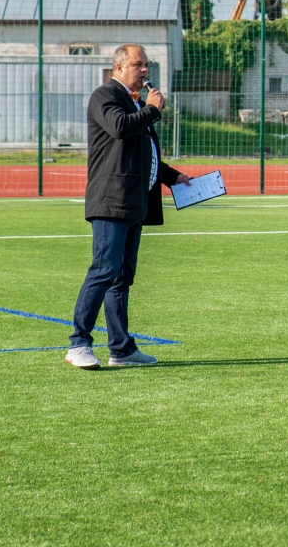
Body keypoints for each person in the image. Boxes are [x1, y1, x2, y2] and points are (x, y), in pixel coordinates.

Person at [65, 44, 191, 370]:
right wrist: (151, 110)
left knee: (121, 278)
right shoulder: (105, 95)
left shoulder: (135, 102)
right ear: (119, 67)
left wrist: (172, 176)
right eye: (139, 64)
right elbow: (121, 128)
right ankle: (79, 343)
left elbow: (142, 152)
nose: (145, 70)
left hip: (133, 203)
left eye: (147, 65)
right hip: (110, 201)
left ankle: (121, 348)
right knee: (104, 270)